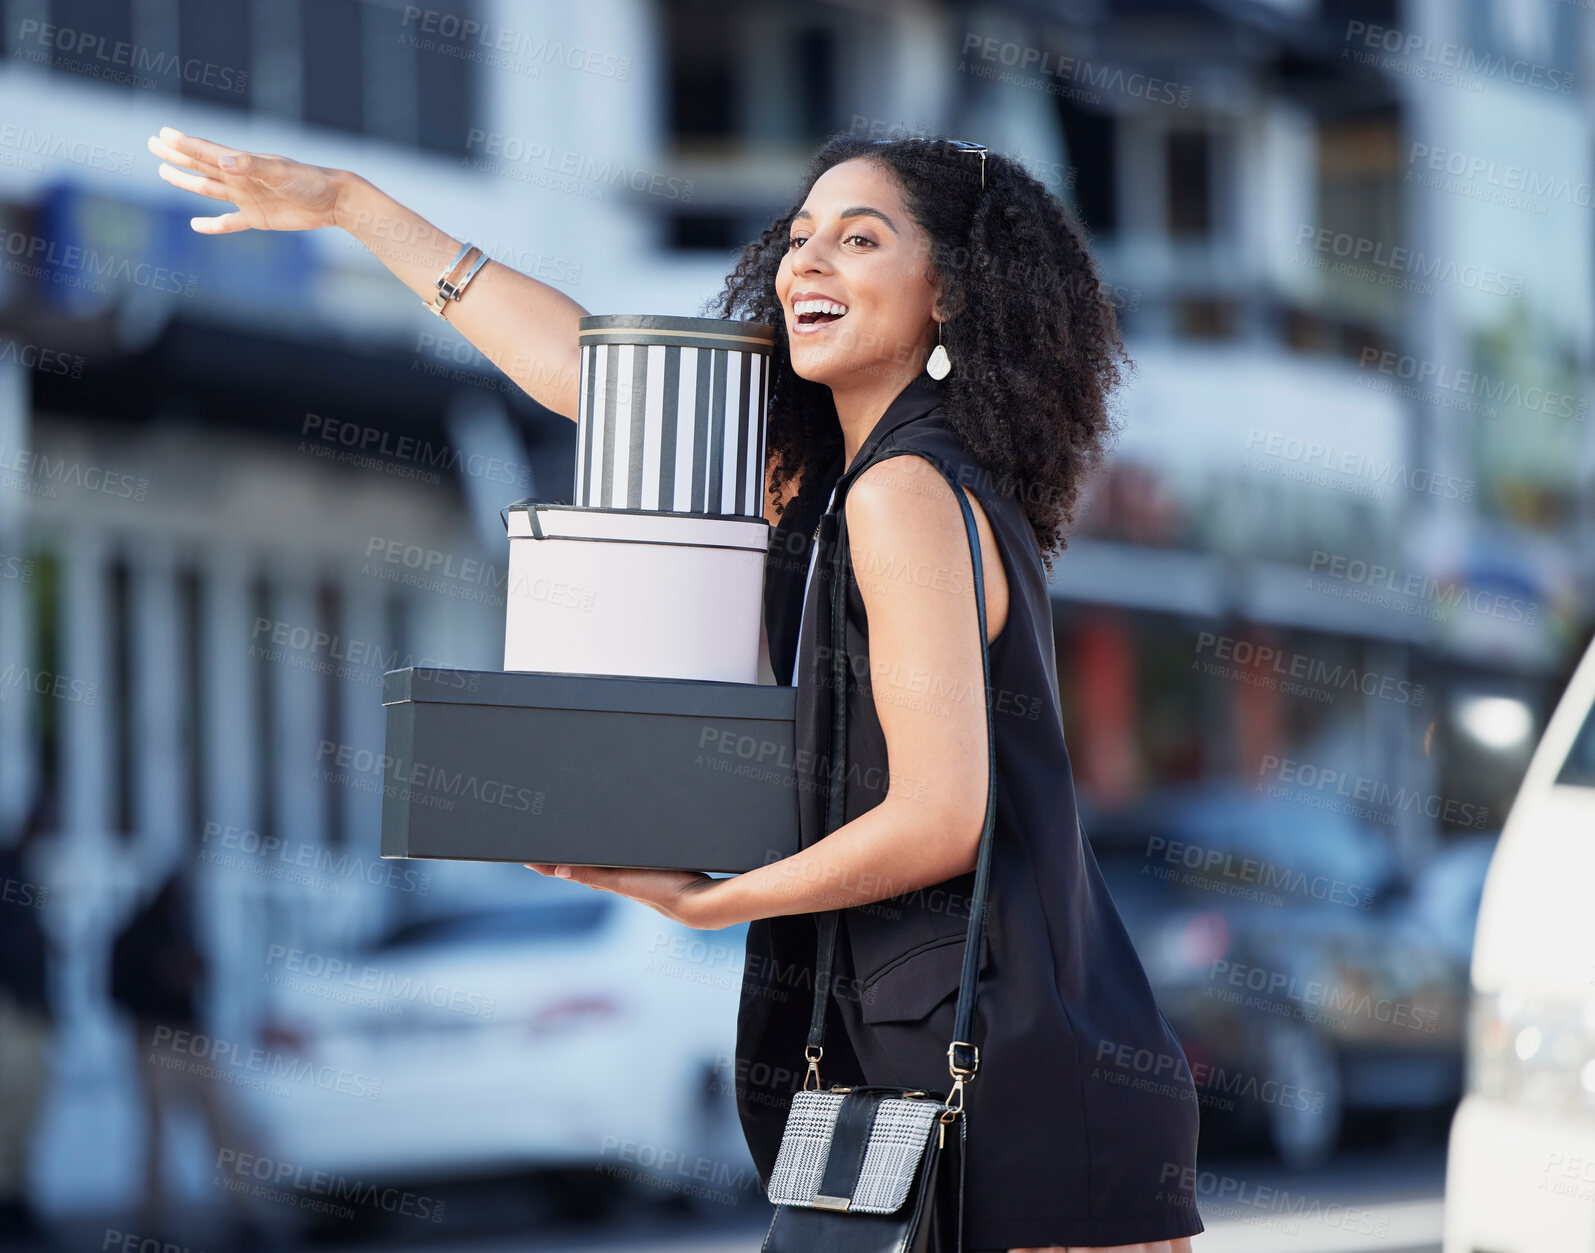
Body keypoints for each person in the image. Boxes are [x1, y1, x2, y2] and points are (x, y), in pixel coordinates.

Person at [145, 124, 1204, 1252]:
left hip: (1005, 1084)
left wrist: (709, 902)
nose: (807, 264)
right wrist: (355, 205)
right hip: (898, 1069)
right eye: (799, 238)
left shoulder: (901, 496)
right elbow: (584, 374)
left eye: (858, 239)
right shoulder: (841, 481)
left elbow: (940, 817)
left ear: (948, 290)